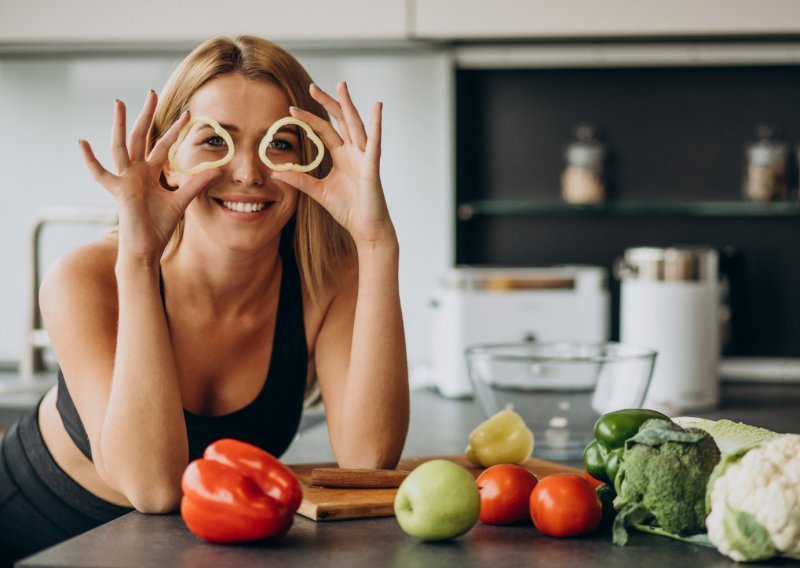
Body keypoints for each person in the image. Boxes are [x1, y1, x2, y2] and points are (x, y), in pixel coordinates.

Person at [0, 34, 409, 563]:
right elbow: (152, 489)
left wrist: (377, 244)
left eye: (278, 143)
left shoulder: (324, 280)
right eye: (215, 141)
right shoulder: (85, 277)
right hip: (34, 535)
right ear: (166, 161)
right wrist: (139, 257)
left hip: (186, 549)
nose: (247, 172)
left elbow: (369, 462)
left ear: (307, 164)